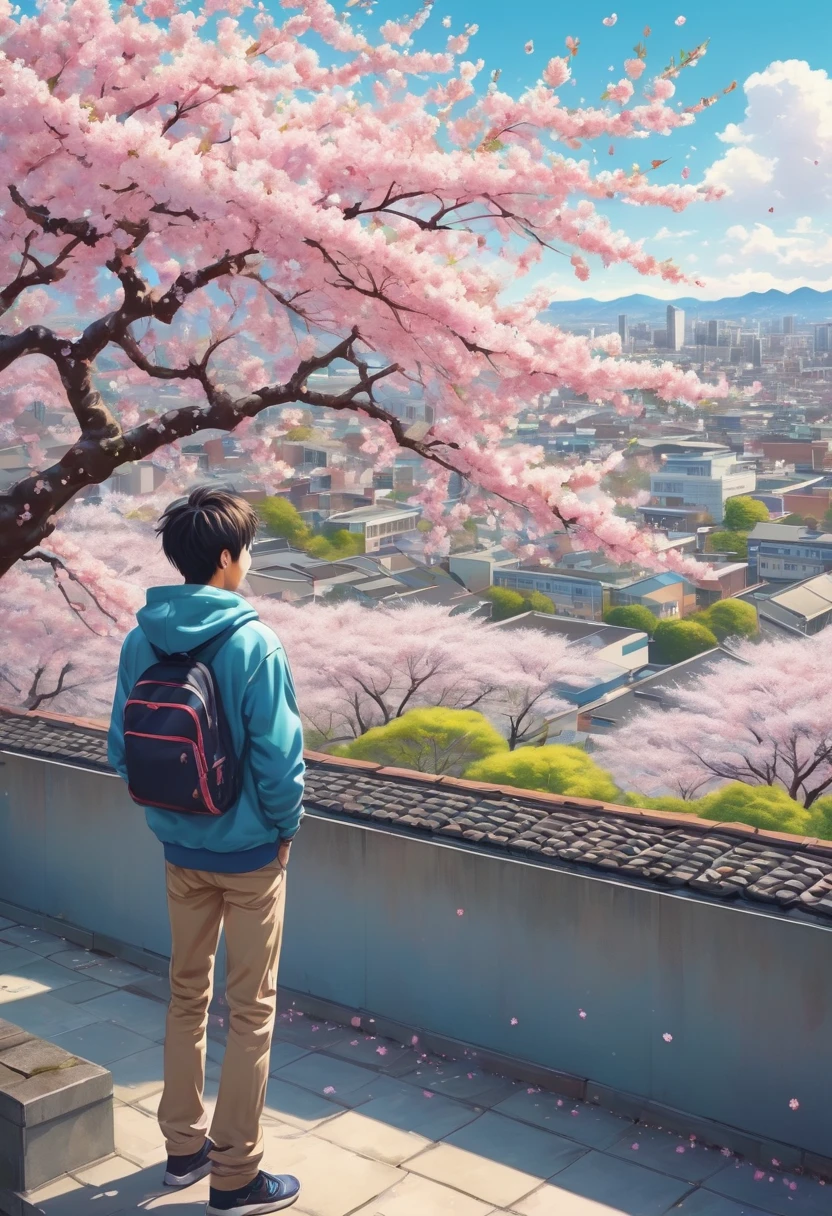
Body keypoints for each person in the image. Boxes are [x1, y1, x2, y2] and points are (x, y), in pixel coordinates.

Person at [108, 487, 304, 1215]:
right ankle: (236, 1176)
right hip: (250, 855)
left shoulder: (141, 638)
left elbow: (120, 750)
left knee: (186, 997)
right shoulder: (253, 642)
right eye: (247, 549)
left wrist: (172, 816)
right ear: (226, 558)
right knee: (250, 1012)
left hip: (177, 848)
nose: (249, 561)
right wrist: (283, 831)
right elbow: (280, 763)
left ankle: (182, 1149)